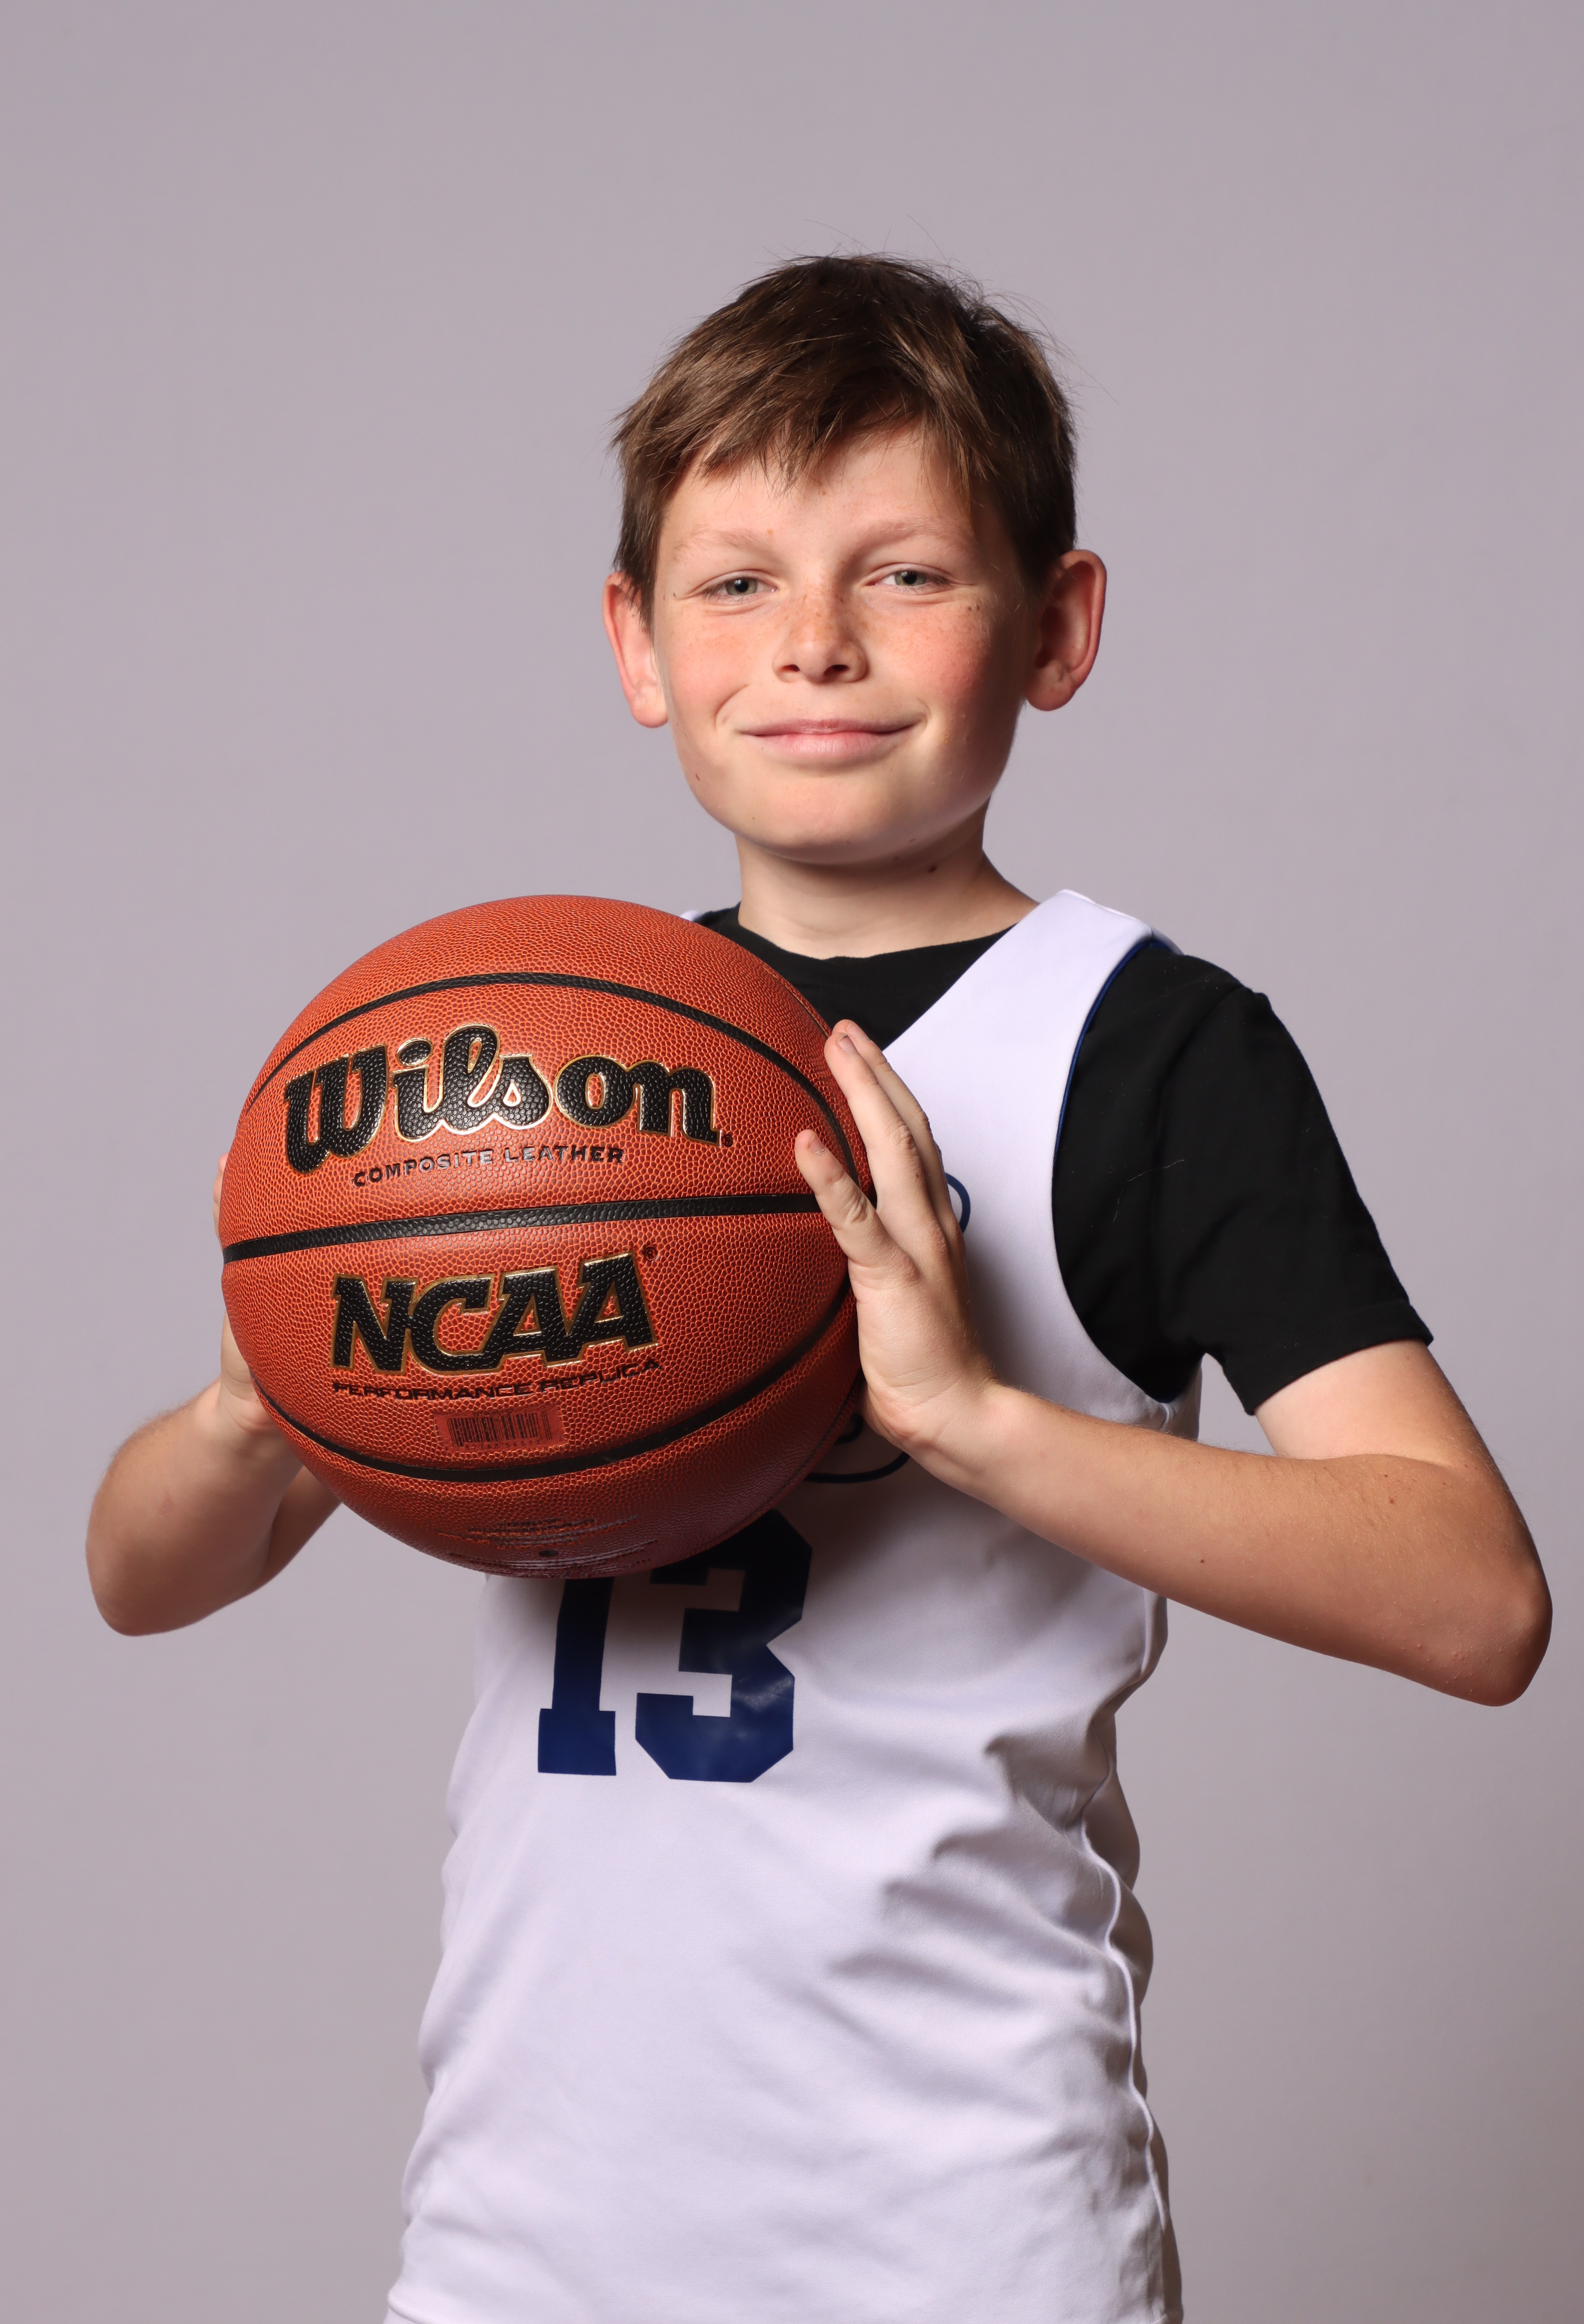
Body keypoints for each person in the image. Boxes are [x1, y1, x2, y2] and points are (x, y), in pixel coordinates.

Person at [87, 255, 1550, 2324]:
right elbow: (139, 1579)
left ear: (1058, 628)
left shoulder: (1147, 1049)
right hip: (526, 2229)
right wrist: (266, 1395)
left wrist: (975, 1423)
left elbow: (1472, 1604)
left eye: (907, 575)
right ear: (636, 643)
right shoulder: (534, 1072)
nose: (816, 645)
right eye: (737, 584)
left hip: (964, 2232)